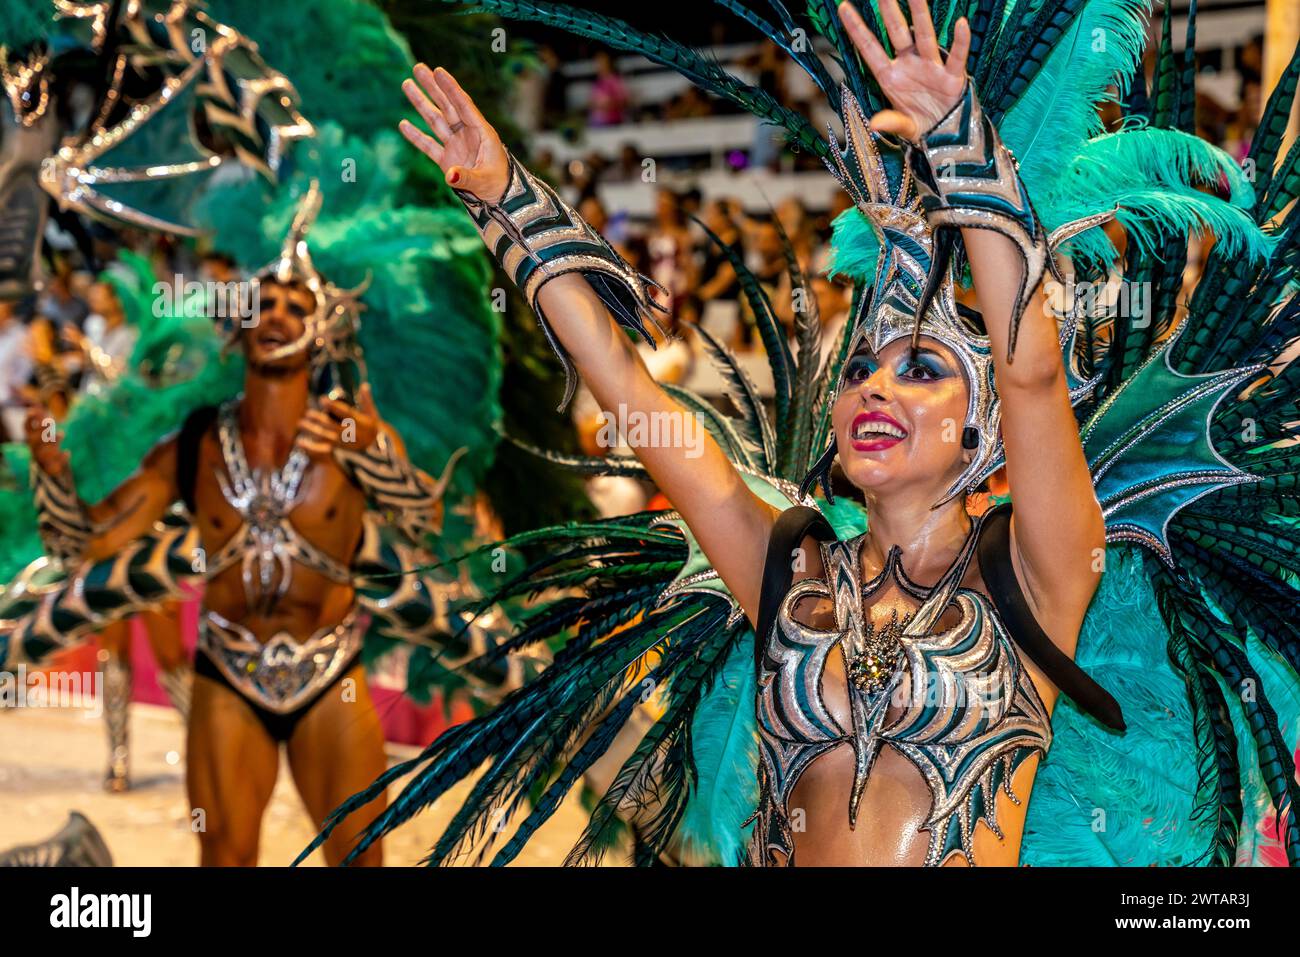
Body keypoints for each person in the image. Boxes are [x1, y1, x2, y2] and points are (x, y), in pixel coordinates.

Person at [346, 0, 1300, 868]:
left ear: (985, 433)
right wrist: (501, 191)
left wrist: (963, 145)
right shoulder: (789, 571)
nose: (872, 386)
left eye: (919, 368)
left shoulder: (1042, 575)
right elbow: (629, 389)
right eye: (859, 371)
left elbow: (1032, 368)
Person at [19, 190, 453, 865]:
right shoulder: (192, 444)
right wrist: (51, 475)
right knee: (224, 858)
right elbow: (86, 544)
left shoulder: (350, 433)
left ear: (326, 328)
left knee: (361, 857)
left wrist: (378, 455)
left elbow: (426, 528)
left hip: (330, 673)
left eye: (295, 304)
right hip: (227, 676)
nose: (275, 313)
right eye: (264, 302)